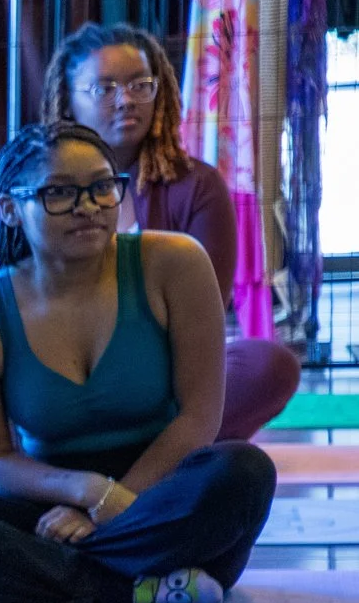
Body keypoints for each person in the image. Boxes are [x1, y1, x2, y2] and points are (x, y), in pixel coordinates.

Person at [0, 122, 275, 603]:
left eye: (103, 188)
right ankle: (138, 585)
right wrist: (86, 491)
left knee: (244, 471)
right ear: (10, 209)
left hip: (165, 502)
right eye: (59, 193)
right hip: (51, 509)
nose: (88, 206)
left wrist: (111, 507)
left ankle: (65, 577)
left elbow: (198, 420)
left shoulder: (175, 263)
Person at [43, 22, 298, 437]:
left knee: (270, 365)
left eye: (141, 85)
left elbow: (205, 314)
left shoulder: (197, 186)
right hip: (59, 367)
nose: (126, 100)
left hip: (160, 371)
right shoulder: (37, 186)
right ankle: (150, 454)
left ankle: (137, 453)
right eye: (104, 89)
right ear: (67, 103)